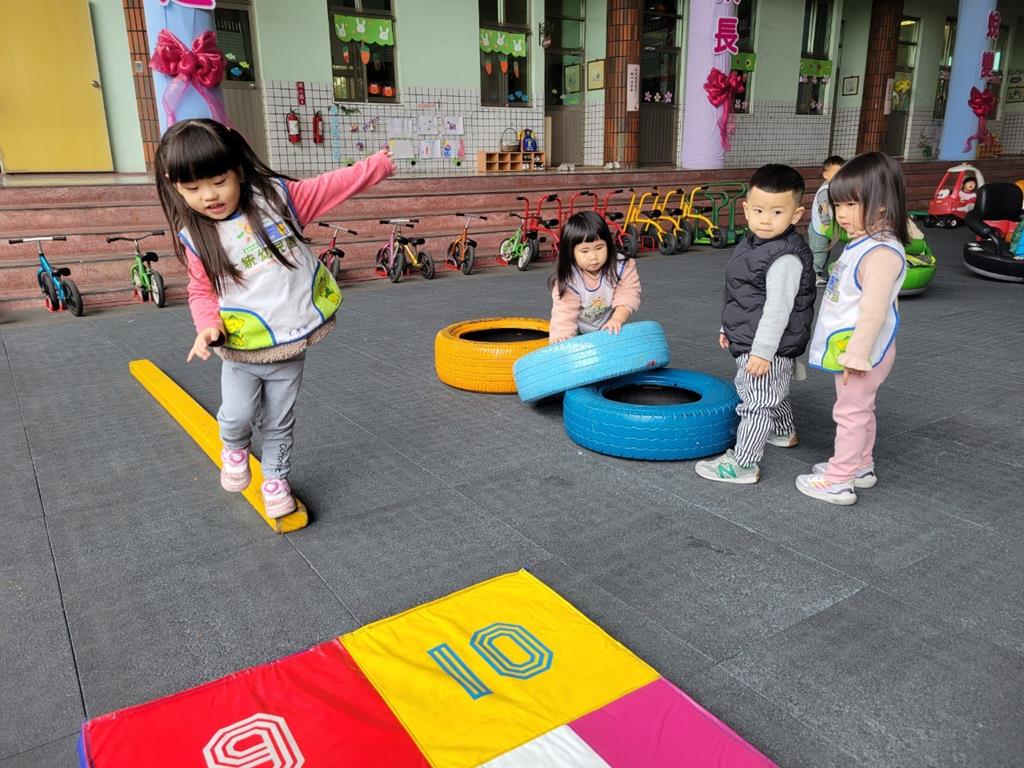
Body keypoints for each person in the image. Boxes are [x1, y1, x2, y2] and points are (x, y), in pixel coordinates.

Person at [154, 119, 395, 517]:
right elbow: (200, 291)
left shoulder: (279, 201)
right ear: (173, 184)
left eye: (219, 181)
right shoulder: (195, 237)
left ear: (238, 169)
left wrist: (376, 165)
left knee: (280, 422)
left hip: (288, 343)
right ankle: (234, 447)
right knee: (238, 416)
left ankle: (275, 480)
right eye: (193, 188)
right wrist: (207, 326)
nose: (209, 196)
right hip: (241, 350)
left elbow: (331, 186)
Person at [797, 151, 908, 505]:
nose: (841, 214)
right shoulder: (865, 242)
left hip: (861, 350)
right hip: (853, 346)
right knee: (860, 409)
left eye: (851, 204)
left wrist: (858, 354)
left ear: (882, 203)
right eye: (837, 204)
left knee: (850, 413)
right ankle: (860, 466)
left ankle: (838, 480)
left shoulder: (880, 253)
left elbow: (874, 311)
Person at [695, 164, 816, 484]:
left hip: (767, 345)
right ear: (746, 209)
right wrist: (728, 328)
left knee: (756, 402)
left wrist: (763, 352)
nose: (765, 219)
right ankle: (784, 431)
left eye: (777, 212)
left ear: (796, 215)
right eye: (759, 210)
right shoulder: (754, 242)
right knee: (773, 391)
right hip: (754, 337)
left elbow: (778, 310)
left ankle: (743, 463)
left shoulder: (784, 257)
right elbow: (743, 294)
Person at [548, 211, 641, 343]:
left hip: (612, 326)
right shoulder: (570, 279)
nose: (593, 257)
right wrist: (561, 338)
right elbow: (564, 313)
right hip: (580, 332)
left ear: (608, 244)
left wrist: (617, 319)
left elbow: (628, 295)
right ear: (571, 253)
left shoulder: (621, 266)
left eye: (599, 248)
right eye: (585, 251)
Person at [809, 155, 845, 286]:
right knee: (819, 252)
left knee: (825, 251)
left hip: (827, 227)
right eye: (835, 173)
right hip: (820, 228)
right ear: (825, 175)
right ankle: (813, 275)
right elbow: (822, 209)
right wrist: (826, 223)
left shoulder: (835, 188)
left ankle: (816, 273)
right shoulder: (825, 190)